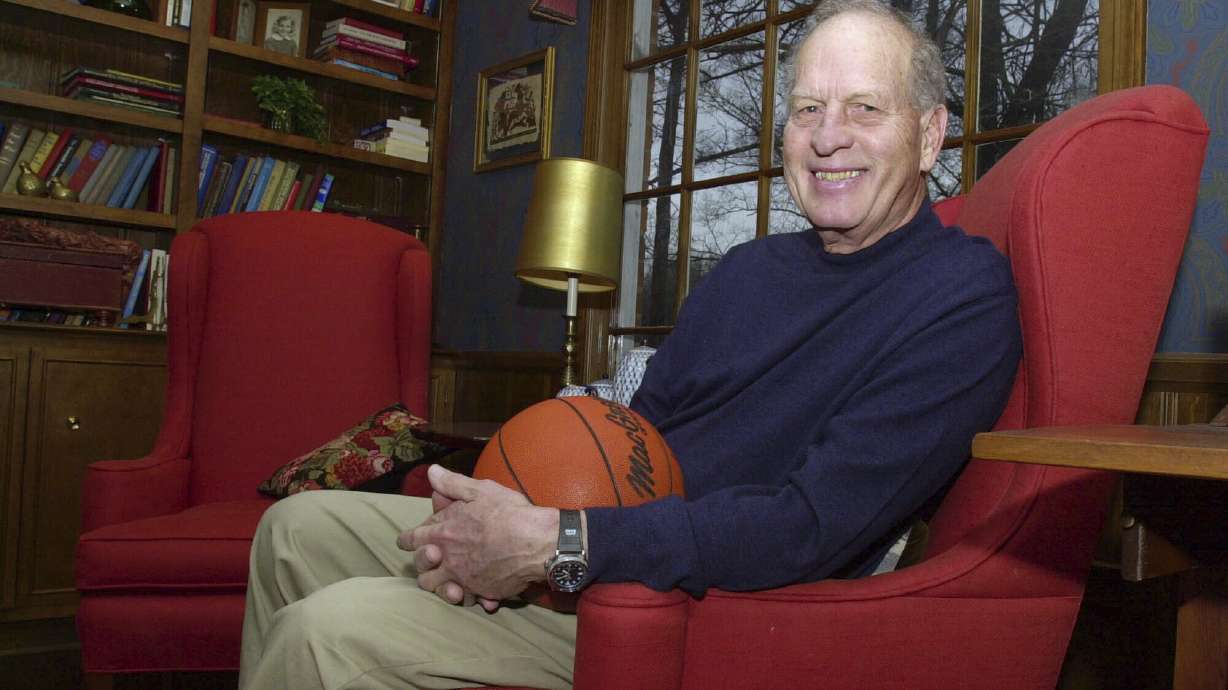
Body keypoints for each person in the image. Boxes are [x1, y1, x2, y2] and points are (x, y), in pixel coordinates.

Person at [238, 0, 1022, 687]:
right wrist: (512, 511)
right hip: (606, 543)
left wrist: (555, 544)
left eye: (864, 109)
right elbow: (632, 432)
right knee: (292, 532)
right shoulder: (746, 270)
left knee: (326, 633)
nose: (828, 138)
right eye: (807, 109)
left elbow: (810, 526)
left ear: (930, 136)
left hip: (694, 603)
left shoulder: (962, 298)